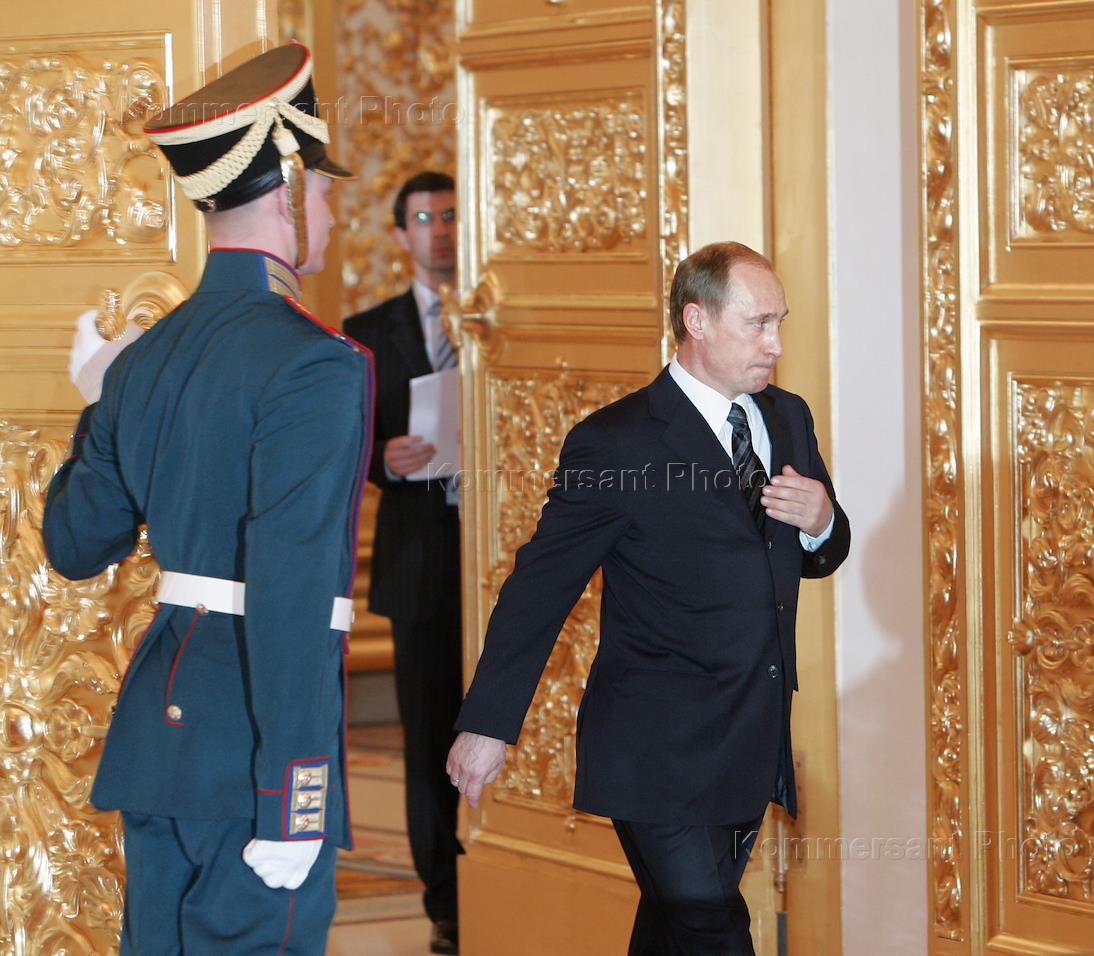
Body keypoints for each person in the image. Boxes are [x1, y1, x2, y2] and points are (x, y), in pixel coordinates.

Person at [42, 44, 370, 955]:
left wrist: (103, 399)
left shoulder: (144, 359)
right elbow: (291, 586)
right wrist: (296, 796)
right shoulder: (316, 364)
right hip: (254, 754)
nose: (333, 214)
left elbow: (74, 542)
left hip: (161, 748)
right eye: (325, 191)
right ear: (289, 190)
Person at [447, 242, 852, 955]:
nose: (776, 344)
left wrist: (822, 520)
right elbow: (540, 588)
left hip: (749, 739)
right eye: (758, 324)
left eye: (780, 323)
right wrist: (488, 724)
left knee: (675, 929)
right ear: (696, 320)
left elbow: (816, 554)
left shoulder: (788, 417)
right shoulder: (616, 444)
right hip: (655, 750)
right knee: (712, 927)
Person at [342, 171, 461, 955]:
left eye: (450, 215)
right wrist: (382, 457)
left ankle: (518, 875)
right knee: (427, 738)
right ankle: (446, 903)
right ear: (400, 234)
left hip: (500, 558)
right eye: (424, 218)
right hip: (419, 559)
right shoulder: (367, 329)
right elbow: (343, 442)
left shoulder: (501, 314)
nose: (440, 230)